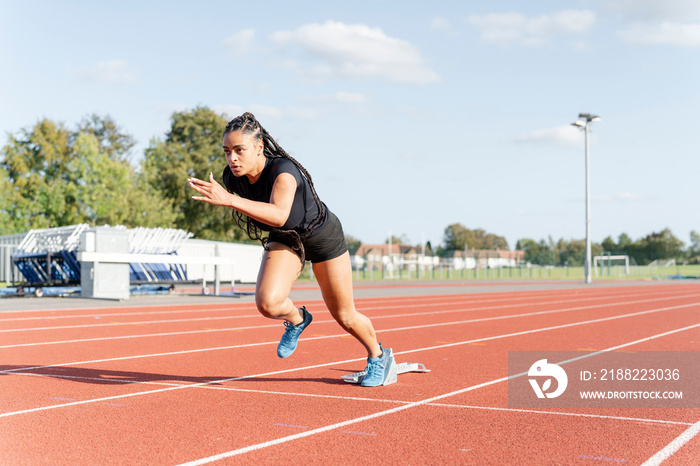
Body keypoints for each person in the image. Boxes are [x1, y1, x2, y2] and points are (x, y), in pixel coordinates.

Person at [188, 112, 392, 387]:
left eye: (239, 150)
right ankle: (297, 320)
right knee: (267, 303)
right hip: (287, 238)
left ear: (259, 147)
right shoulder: (232, 178)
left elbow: (280, 214)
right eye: (227, 151)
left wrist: (230, 201)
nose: (232, 158)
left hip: (322, 237)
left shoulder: (283, 171)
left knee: (344, 315)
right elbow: (277, 223)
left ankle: (378, 356)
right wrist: (231, 197)